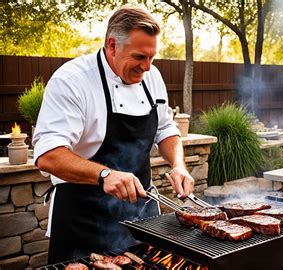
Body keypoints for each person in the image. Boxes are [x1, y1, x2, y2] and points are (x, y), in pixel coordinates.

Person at [32, 5, 194, 264]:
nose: (147, 67)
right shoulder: (72, 81)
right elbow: (47, 155)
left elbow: (166, 129)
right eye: (140, 57)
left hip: (142, 221)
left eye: (152, 57)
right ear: (112, 45)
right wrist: (104, 174)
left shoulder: (152, 77)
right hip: (84, 223)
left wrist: (178, 165)